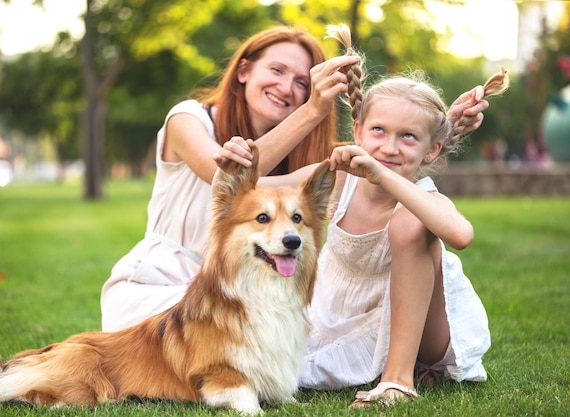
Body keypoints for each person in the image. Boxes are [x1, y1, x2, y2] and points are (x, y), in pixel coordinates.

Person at [215, 25, 508, 407]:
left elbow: (461, 235)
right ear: (357, 131)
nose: (389, 147)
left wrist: (381, 174)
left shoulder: (422, 198)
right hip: (343, 316)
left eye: (408, 138)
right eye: (379, 131)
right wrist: (234, 163)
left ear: (431, 150)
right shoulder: (338, 180)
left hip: (428, 335)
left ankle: (398, 381)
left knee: (411, 223)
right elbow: (261, 187)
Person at [101, 26, 362, 331]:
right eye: (277, 70)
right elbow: (224, 182)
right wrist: (312, 116)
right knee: (228, 325)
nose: (286, 87)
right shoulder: (188, 119)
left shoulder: (307, 159)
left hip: (249, 293)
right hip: (157, 286)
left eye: (302, 83)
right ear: (243, 71)